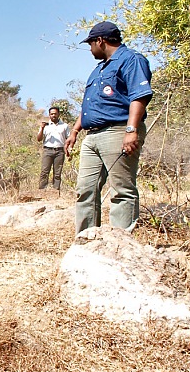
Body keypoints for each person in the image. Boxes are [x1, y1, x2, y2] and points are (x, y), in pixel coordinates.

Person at [63, 21, 152, 235]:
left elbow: (139, 97)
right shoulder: (99, 69)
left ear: (100, 41)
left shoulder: (132, 60)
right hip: (92, 136)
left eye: (91, 44)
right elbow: (90, 105)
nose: (90, 49)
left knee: (121, 190)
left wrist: (131, 131)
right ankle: (86, 240)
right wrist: (75, 131)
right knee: (85, 190)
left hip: (118, 130)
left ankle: (120, 244)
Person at [37, 106, 70, 190]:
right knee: (44, 172)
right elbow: (39, 139)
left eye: (55, 114)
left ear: (58, 114)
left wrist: (68, 150)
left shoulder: (64, 126)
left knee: (57, 173)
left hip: (60, 151)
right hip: (47, 150)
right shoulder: (45, 126)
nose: (53, 115)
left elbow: (68, 139)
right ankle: (42, 190)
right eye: (51, 114)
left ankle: (56, 191)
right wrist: (41, 128)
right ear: (49, 115)